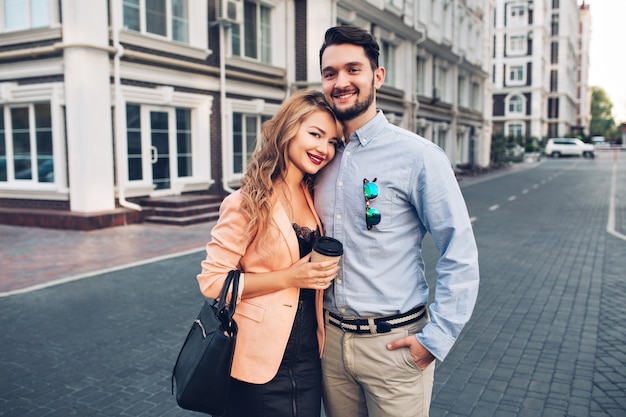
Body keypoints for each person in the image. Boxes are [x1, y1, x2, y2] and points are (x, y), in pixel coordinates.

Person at [314, 26, 480, 417]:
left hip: (395, 348)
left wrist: (436, 339)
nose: (341, 82)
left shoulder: (419, 156)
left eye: (353, 69)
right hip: (329, 345)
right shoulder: (319, 155)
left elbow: (460, 250)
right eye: (330, 73)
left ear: (377, 75)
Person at [196, 89, 343, 417]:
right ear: (289, 129)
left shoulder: (313, 195)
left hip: (307, 357)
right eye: (315, 134)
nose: (324, 149)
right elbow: (212, 282)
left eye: (333, 142)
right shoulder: (246, 201)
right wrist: (290, 277)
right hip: (257, 359)